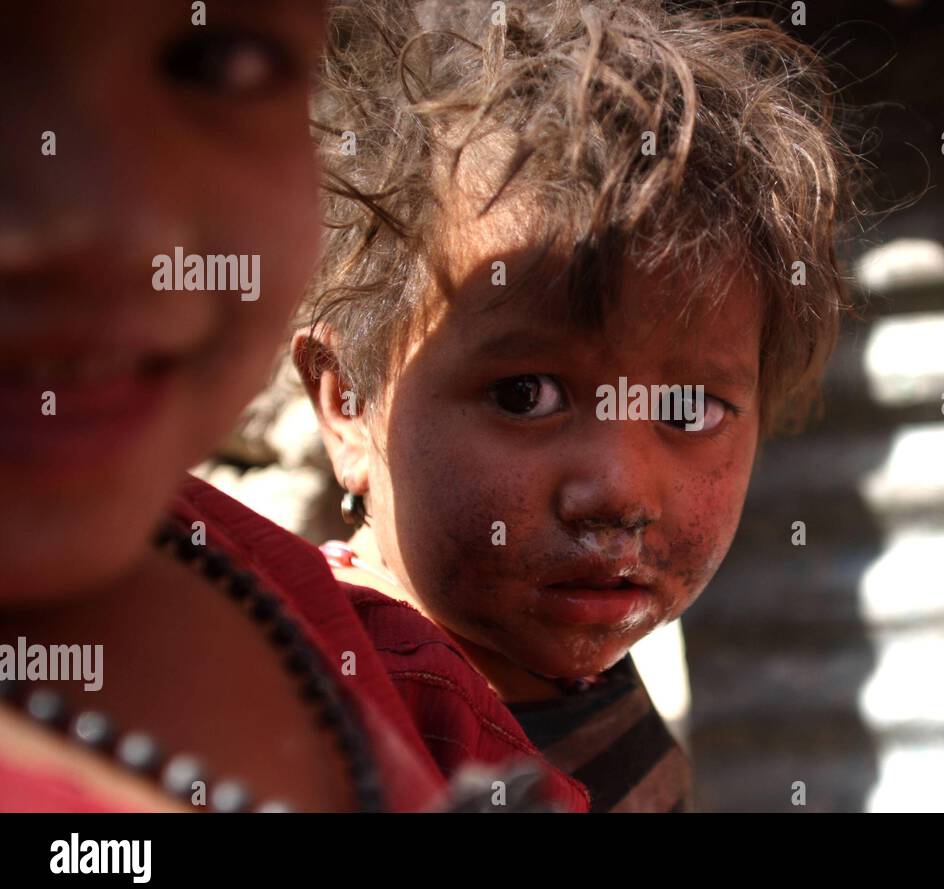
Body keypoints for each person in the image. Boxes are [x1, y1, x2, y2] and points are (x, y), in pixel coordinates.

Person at [0, 0, 584, 813]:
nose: (120, 227)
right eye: (525, 394)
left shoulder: (290, 598)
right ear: (342, 399)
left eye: (224, 62)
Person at [296, 0, 860, 811]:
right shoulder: (318, 695)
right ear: (348, 400)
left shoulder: (563, 672)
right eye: (527, 395)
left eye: (690, 407)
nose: (620, 491)